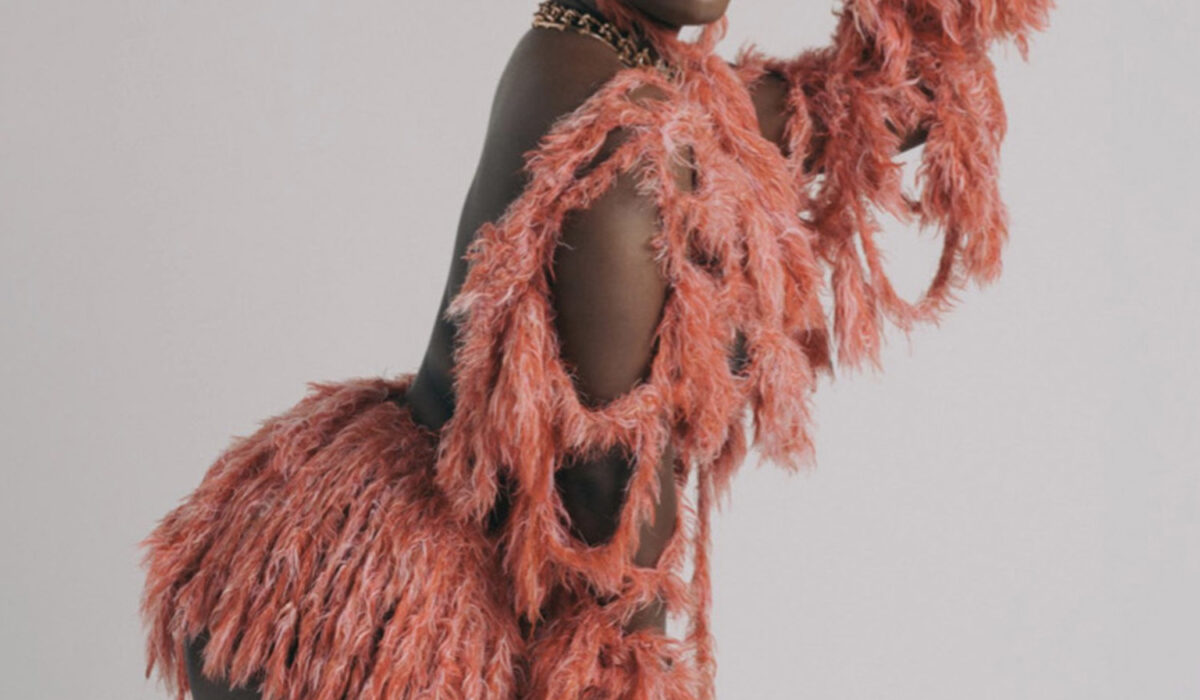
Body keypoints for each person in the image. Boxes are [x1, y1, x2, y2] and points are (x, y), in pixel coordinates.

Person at [139, 1, 1052, 698]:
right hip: (401, 639)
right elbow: (607, 526)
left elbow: (857, 105)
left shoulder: (593, 49)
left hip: (365, 536)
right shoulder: (625, 145)